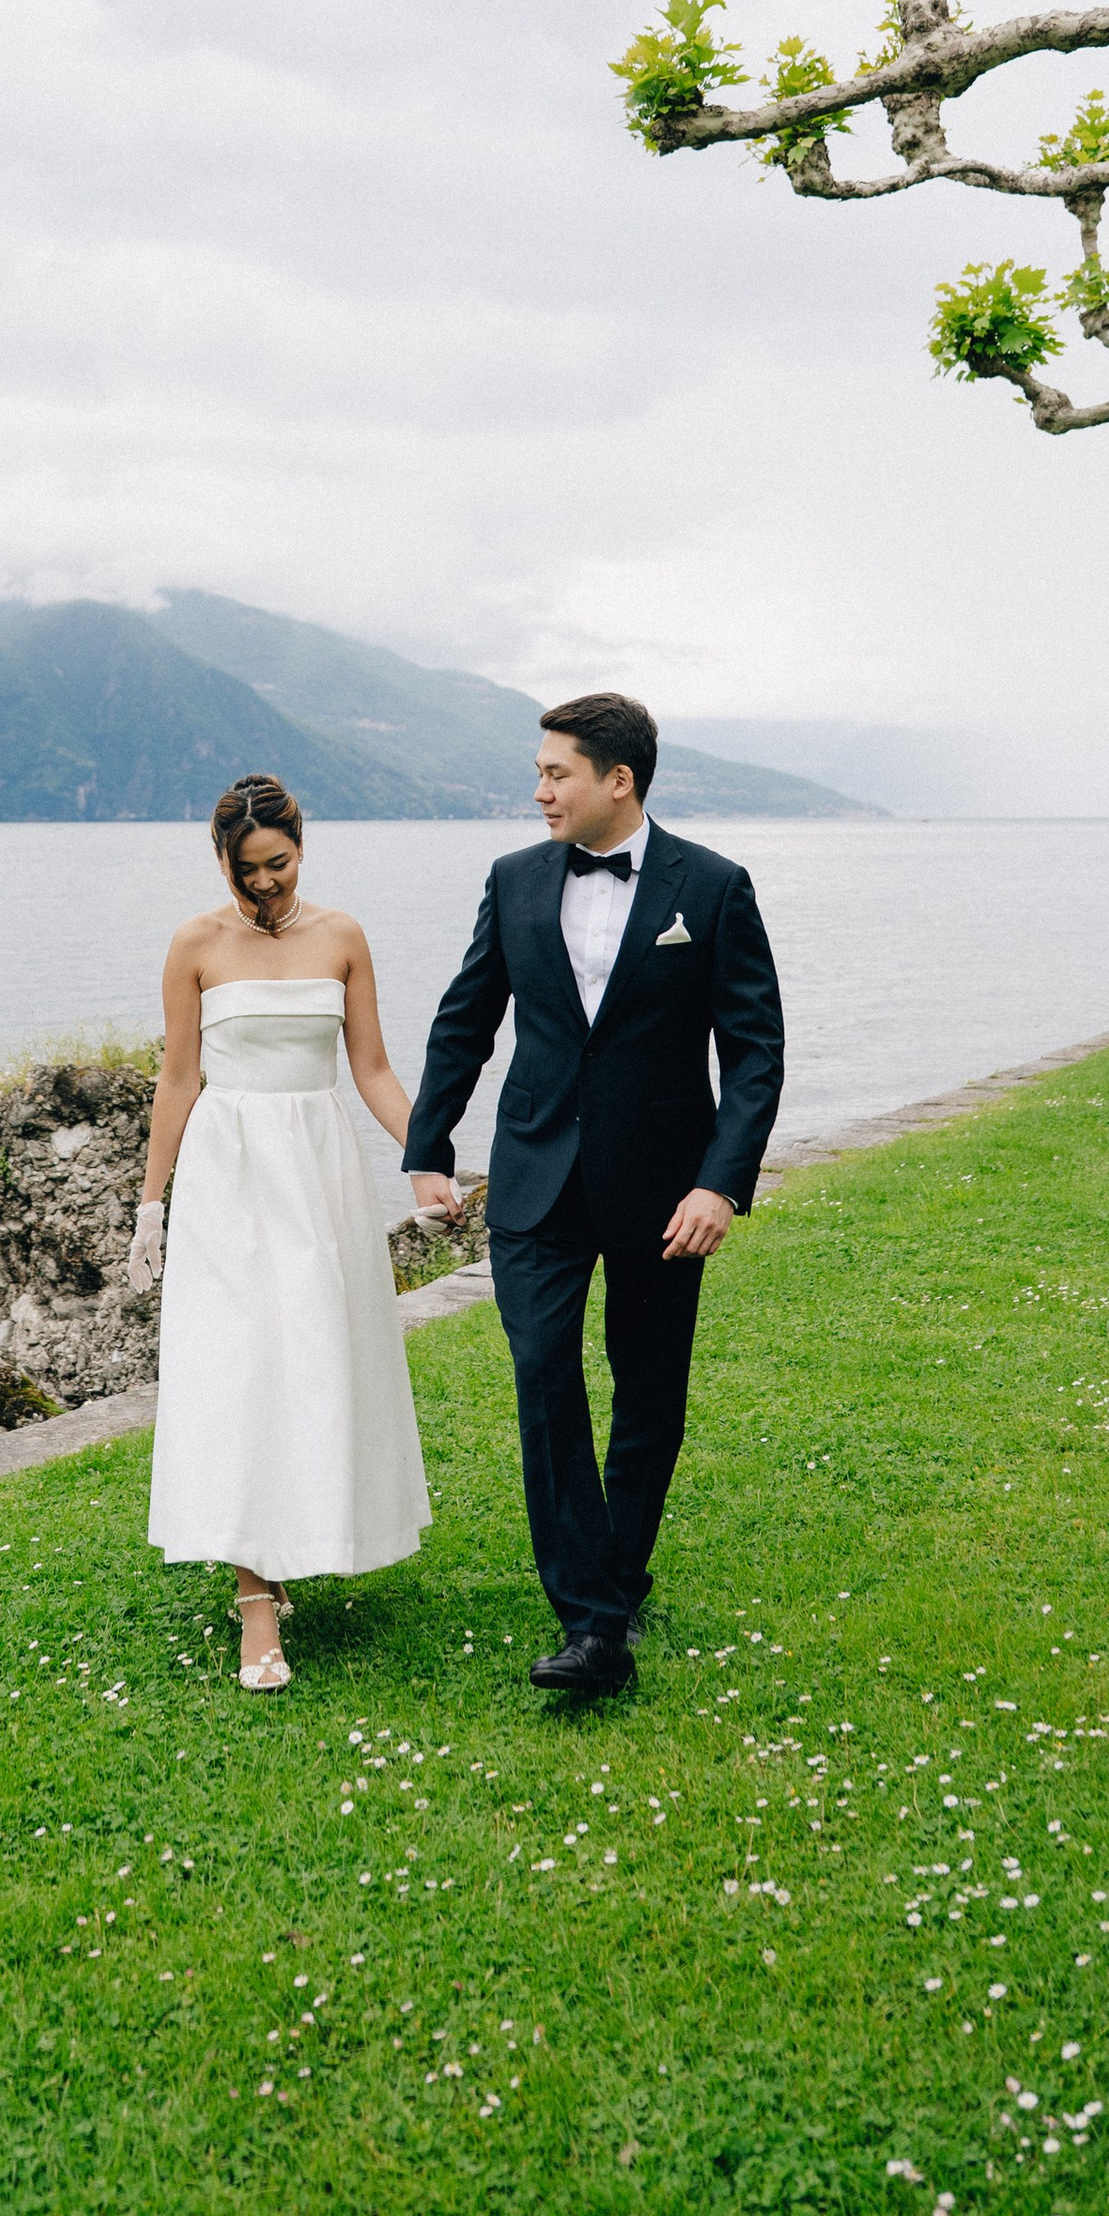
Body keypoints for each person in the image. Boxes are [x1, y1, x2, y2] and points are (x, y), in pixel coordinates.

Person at [403, 691, 783, 1701]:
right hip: (534, 1175)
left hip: (666, 1187)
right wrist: (427, 1143)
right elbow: (465, 1015)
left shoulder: (712, 887)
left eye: (555, 772)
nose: (538, 791)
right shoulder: (513, 879)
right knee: (542, 1374)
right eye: (538, 772)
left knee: (647, 1392)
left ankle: (614, 1578)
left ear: (618, 779)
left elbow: (753, 1052)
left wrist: (720, 1182)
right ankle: (592, 1618)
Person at [132, 772, 432, 1689]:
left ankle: (305, 1533)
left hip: (318, 1170)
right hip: (229, 1175)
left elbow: (371, 1067)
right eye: (244, 870)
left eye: (279, 864)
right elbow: (178, 1082)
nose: (264, 885)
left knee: (315, 1359)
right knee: (237, 1365)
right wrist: (152, 1205)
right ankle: (254, 1596)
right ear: (219, 862)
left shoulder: (342, 937)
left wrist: (426, 1156)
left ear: (301, 846)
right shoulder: (194, 943)